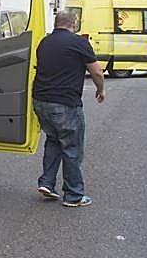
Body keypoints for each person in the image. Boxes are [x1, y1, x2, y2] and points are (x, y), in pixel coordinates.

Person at [31, 11, 105, 208]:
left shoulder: (44, 42)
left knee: (54, 140)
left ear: (56, 23)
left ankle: (47, 183)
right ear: (74, 23)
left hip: (40, 101)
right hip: (64, 103)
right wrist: (100, 90)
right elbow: (96, 71)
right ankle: (73, 195)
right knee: (72, 148)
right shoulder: (78, 42)